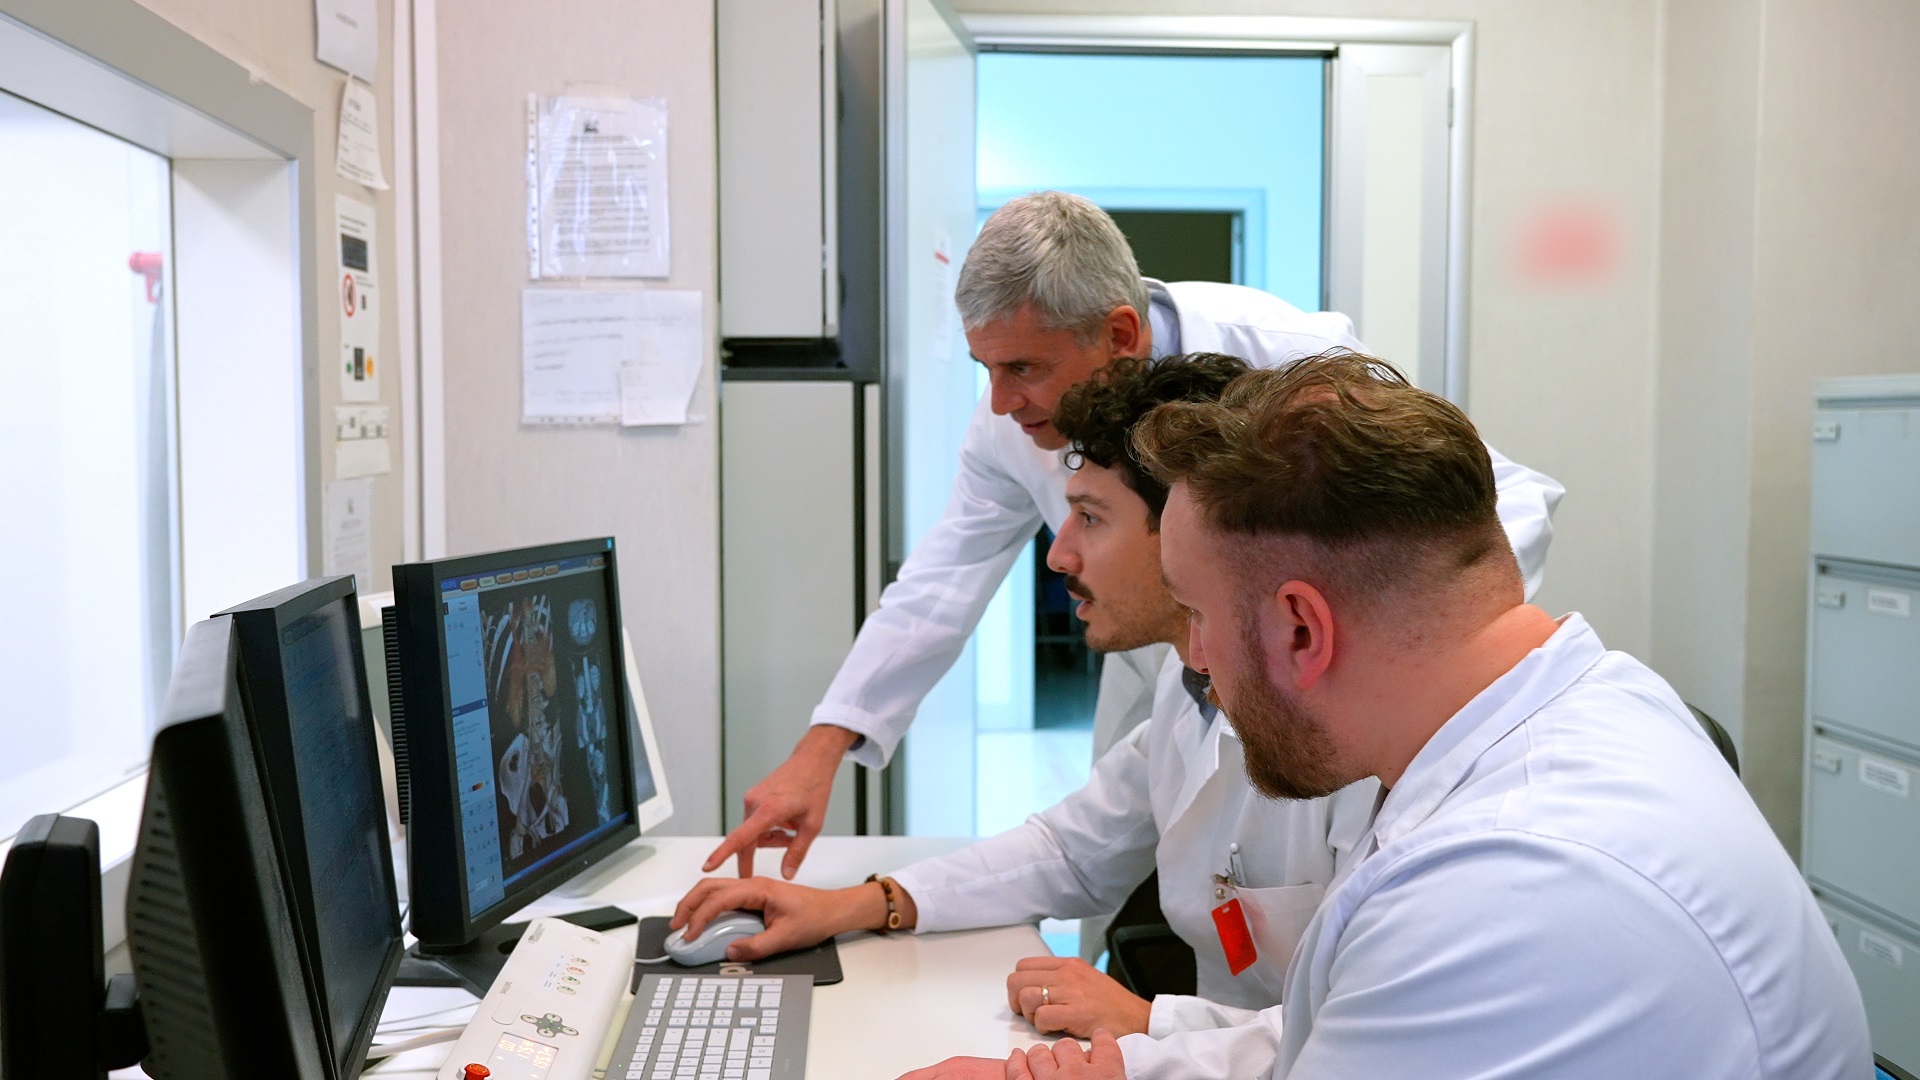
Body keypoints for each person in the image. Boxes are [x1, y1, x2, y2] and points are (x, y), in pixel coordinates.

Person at [1007, 353, 1870, 1079]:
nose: (1195, 658)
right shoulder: (1591, 700)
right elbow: (1341, 1031)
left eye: (1198, 615)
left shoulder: (1500, 886)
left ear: (1302, 629)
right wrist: (1128, 1067)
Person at [706, 191, 1565, 880]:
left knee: (1296, 890)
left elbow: (1493, 503)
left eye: (1024, 367)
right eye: (987, 370)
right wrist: (821, 749)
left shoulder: (1284, 356)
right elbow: (942, 578)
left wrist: (1389, 644)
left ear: (1120, 334)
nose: (1001, 401)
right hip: (1160, 665)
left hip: (1306, 665)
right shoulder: (1008, 422)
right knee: (1123, 871)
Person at [670, 354, 1377, 1076]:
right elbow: (1070, 850)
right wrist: (859, 904)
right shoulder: (1188, 688)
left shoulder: (1352, 751)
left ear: (1185, 532)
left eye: (1090, 518)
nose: (1058, 555)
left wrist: (1151, 1021)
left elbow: (1368, 1031)